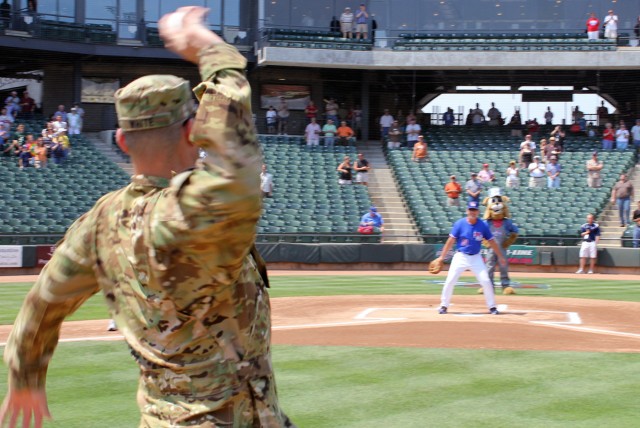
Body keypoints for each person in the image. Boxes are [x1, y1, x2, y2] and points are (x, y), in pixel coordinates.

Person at [0, 7, 295, 427]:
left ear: (121, 140)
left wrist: (26, 376)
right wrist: (209, 49)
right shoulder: (196, 208)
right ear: (192, 132)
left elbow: (43, 303)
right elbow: (234, 155)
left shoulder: (99, 223)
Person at [434, 200, 506, 315]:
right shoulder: (460, 224)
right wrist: (442, 257)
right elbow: (450, 240)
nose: (472, 212)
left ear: (478, 211)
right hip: (460, 257)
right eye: (471, 210)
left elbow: (492, 241)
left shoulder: (482, 225)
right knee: (450, 280)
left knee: (486, 281)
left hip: (476, 258)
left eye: (475, 210)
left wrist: (500, 256)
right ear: (467, 211)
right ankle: (443, 305)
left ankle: (492, 307)